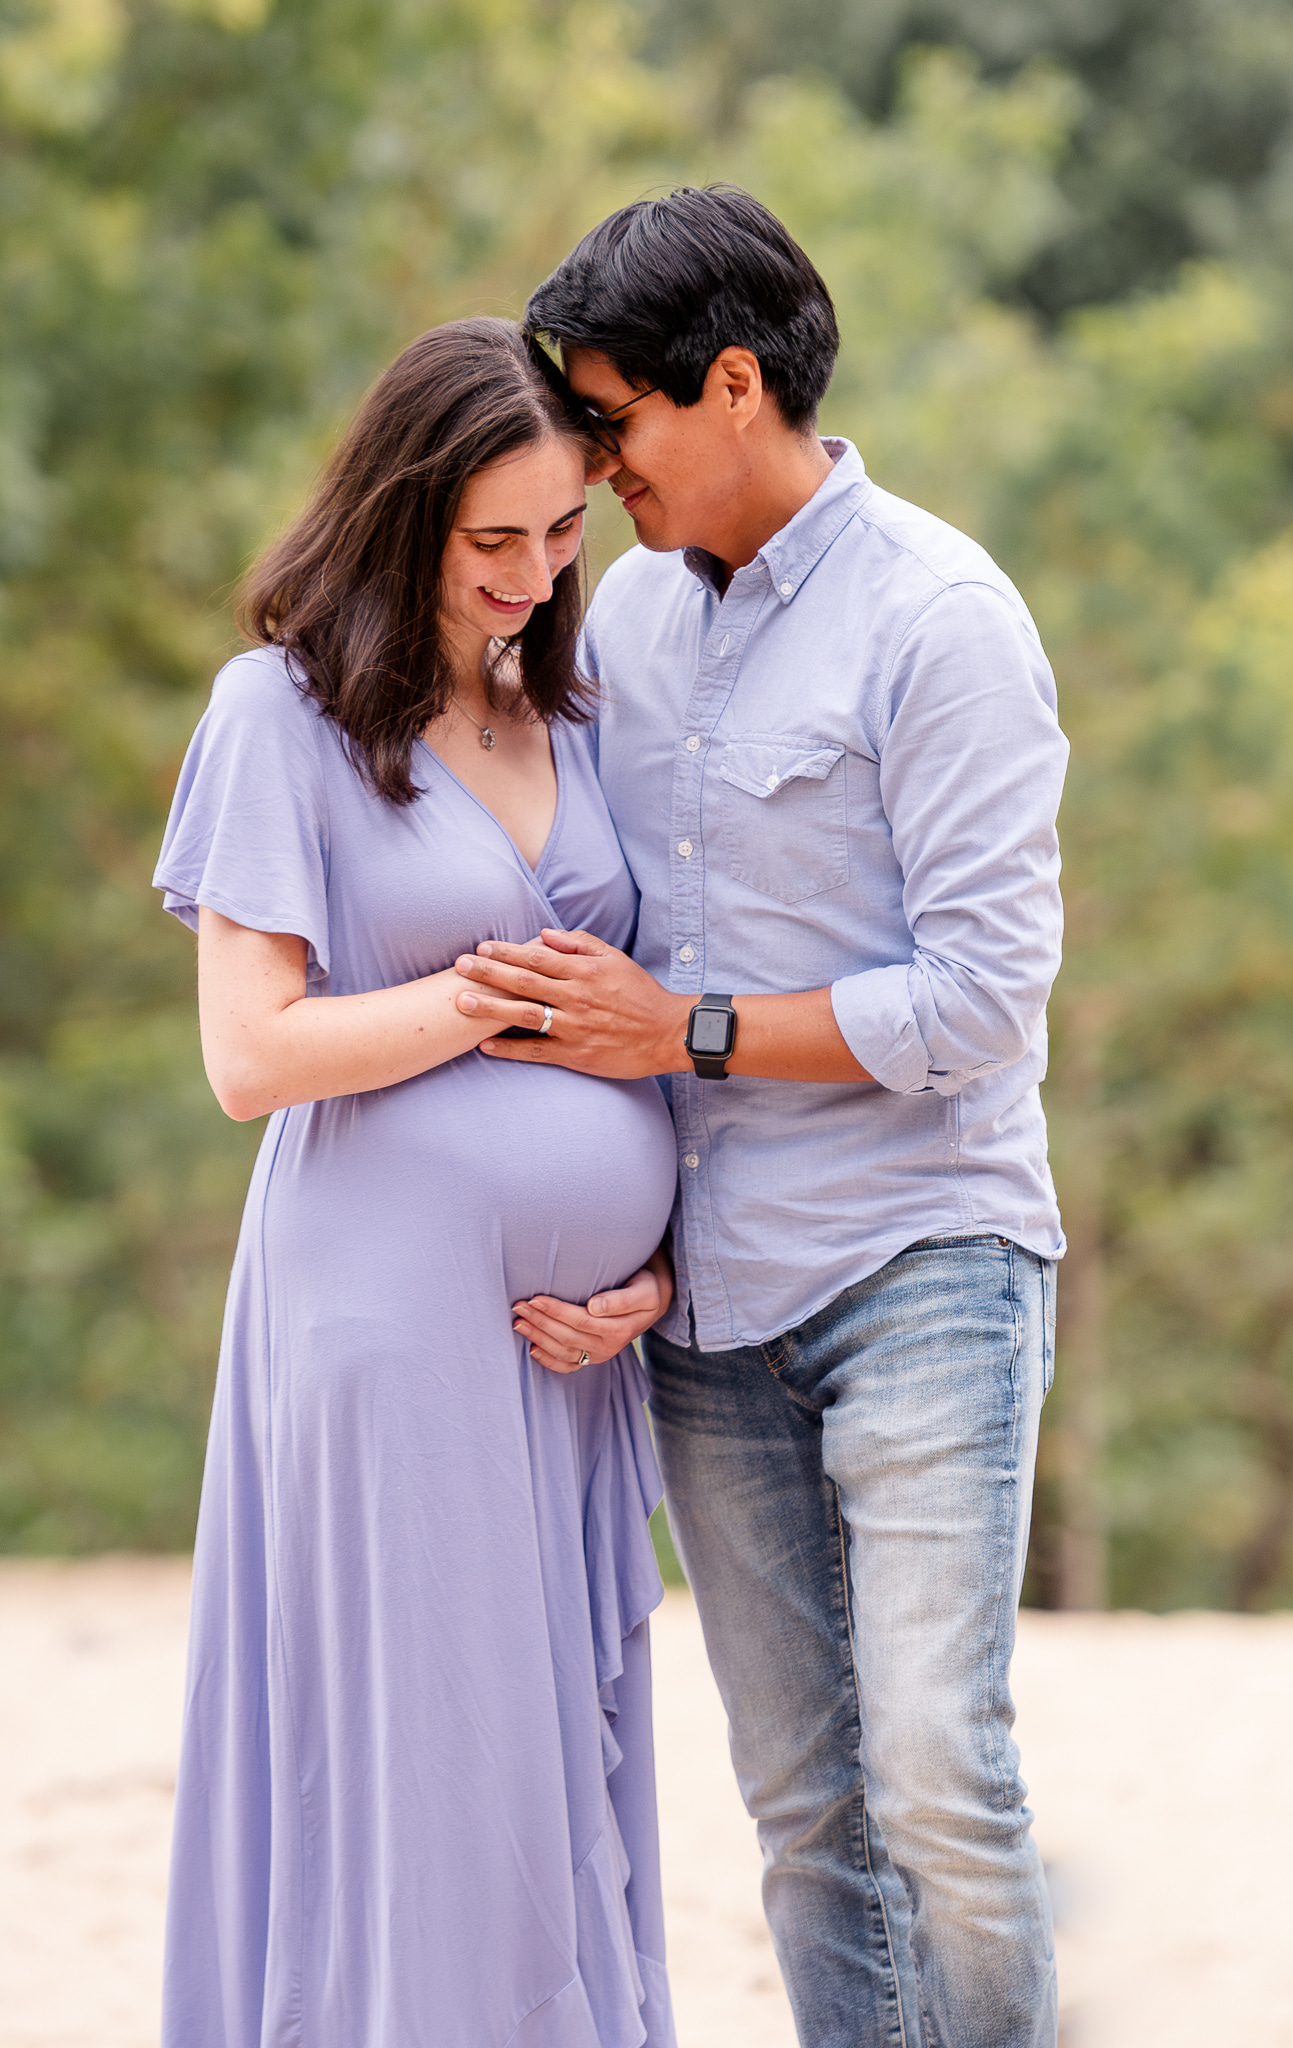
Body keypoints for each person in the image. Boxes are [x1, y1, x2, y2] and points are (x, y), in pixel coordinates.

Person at [454, 188, 1069, 2048]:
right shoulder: (621, 627)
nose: (596, 465)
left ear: (735, 387)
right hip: (710, 1316)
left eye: (617, 419)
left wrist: (688, 1031)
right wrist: (633, 1248)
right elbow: (603, 938)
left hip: (922, 1265)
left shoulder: (941, 620)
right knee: (807, 1818)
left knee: (939, 1783)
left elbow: (981, 1000)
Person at [152, 317, 680, 2048]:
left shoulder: (575, 713)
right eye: (492, 542)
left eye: (560, 534)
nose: (533, 576)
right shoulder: (279, 717)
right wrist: (468, 998)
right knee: (432, 1762)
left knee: (555, 1771)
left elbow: (644, 1031)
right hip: (385, 1315)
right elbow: (251, 1057)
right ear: (401, 518)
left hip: (571, 1352)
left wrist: (651, 1281)